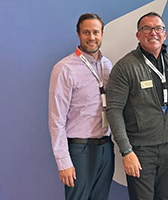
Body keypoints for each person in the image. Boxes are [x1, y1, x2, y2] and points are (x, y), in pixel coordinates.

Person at [106, 12, 168, 200]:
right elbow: (114, 110)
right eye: (147, 28)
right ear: (138, 35)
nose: (153, 32)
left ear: (165, 34)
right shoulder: (125, 67)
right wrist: (126, 150)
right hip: (140, 150)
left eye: (158, 28)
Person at [48, 13, 114, 200]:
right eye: (86, 32)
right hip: (79, 150)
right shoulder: (64, 68)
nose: (91, 37)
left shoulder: (106, 65)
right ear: (78, 34)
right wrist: (63, 162)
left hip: (106, 148)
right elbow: (56, 120)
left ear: (102, 34)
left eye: (95, 32)